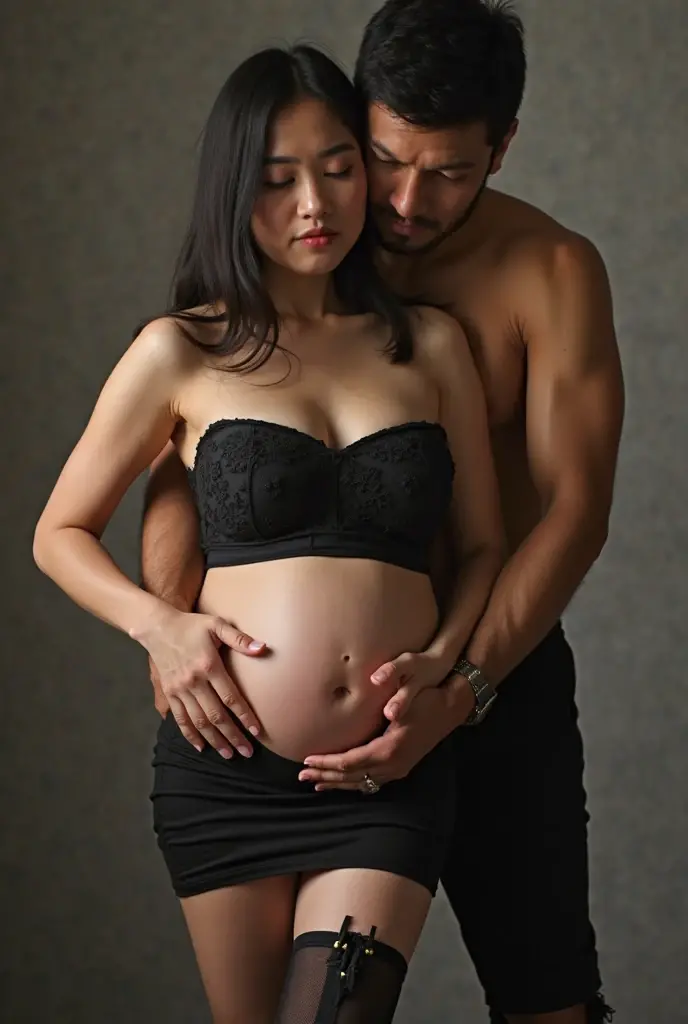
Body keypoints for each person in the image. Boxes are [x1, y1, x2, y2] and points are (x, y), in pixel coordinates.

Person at [140, 3, 625, 1023]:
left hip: (493, 670)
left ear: (502, 148)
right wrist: (167, 625)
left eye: (449, 171)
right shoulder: (291, 246)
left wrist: (468, 684)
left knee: (549, 1002)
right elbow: (190, 458)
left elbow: (573, 512)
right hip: (280, 729)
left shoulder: (549, 271)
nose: (405, 199)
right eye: (386, 157)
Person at [33, 43, 505, 1024]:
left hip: (388, 768)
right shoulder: (182, 350)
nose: (315, 205)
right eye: (277, 177)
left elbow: (483, 548)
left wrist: (447, 672)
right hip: (226, 773)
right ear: (232, 188)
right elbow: (60, 531)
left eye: (338, 167)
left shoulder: (431, 346)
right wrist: (159, 627)